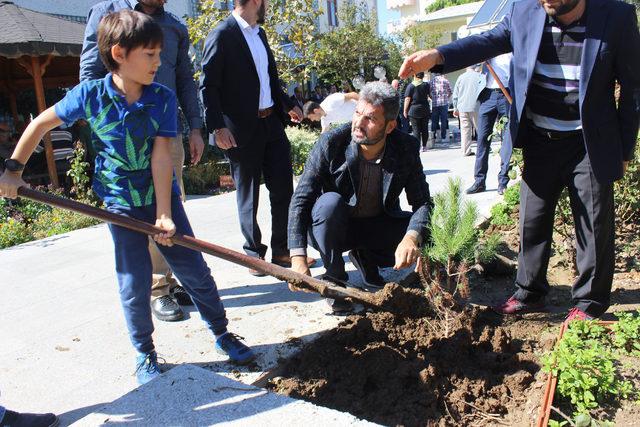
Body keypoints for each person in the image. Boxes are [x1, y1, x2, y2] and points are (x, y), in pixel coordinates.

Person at [0, 10, 255, 384]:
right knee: (134, 282)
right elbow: (41, 123)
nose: (158, 62)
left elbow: (161, 155)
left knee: (194, 271)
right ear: (119, 53)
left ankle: (221, 332)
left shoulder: (162, 98)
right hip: (120, 204)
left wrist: (165, 215)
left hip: (158, 197)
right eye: (150, 54)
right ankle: (145, 353)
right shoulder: (90, 95)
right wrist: (13, 169)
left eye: (159, 54)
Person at [399, 0, 640, 321]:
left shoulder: (617, 16)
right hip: (541, 137)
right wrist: (439, 56)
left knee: (594, 226)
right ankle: (529, 294)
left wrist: (624, 151)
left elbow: (633, 88)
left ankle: (589, 306)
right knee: (532, 221)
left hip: (589, 141)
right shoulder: (525, 10)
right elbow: (485, 42)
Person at [80, 0, 206, 322]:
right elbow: (90, 74)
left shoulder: (175, 25)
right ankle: (157, 290)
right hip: (125, 136)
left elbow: (185, 79)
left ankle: (169, 279)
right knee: (140, 211)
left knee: (167, 205)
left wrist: (195, 126)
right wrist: (107, 130)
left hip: (166, 132)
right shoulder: (107, 12)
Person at [288, 82, 432, 314]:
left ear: (390, 126)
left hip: (376, 224)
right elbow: (301, 199)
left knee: (422, 230)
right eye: (358, 113)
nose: (359, 123)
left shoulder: (406, 147)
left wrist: (411, 238)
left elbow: (422, 201)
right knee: (328, 204)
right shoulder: (331, 143)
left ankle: (366, 259)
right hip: (334, 228)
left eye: (370, 119)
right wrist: (298, 257)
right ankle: (335, 281)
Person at [200, 0, 314, 275]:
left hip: (271, 124)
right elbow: (208, 85)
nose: (268, 6)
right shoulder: (222, 34)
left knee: (284, 188)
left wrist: (288, 105)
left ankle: (283, 250)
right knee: (248, 194)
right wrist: (217, 127)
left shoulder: (259, 33)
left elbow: (269, 80)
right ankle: (254, 255)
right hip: (239, 131)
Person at [465, 53, 513, 194]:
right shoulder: (491, 50)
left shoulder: (513, 51)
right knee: (482, 139)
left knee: (507, 140)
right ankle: (479, 181)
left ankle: (503, 182)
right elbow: (473, 62)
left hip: (506, 94)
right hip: (488, 96)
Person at [452, 65, 485, 156]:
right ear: (475, 67)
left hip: (462, 107)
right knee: (480, 128)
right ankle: (483, 148)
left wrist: (455, 108)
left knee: (465, 130)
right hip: (476, 106)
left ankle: (465, 151)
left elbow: (455, 95)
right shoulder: (480, 76)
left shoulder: (460, 77)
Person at [403, 72, 431, 151]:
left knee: (416, 130)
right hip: (425, 109)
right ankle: (424, 146)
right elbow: (430, 95)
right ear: (422, 76)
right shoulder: (426, 85)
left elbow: (407, 99)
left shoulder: (410, 86)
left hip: (413, 110)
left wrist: (405, 110)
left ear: (415, 75)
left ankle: (417, 147)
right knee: (425, 129)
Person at [429, 72, 452, 143]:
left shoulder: (431, 82)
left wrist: (433, 98)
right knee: (443, 120)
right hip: (444, 103)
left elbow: (428, 93)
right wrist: (446, 98)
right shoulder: (445, 80)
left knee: (434, 121)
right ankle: (443, 137)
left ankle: (433, 137)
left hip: (435, 104)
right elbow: (450, 92)